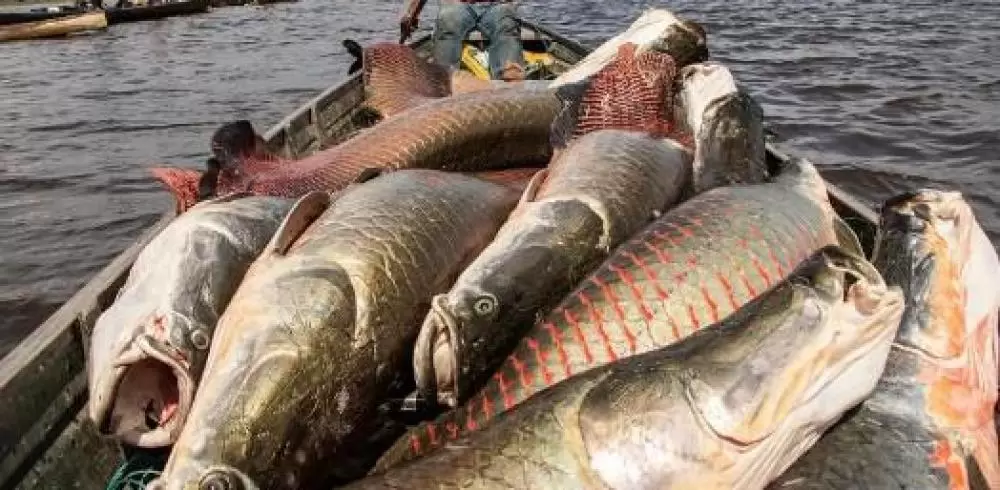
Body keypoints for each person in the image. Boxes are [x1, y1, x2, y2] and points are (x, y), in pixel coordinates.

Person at [399, 0, 525, 81]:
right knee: (448, 18)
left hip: (497, 5)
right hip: (458, 4)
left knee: (506, 24)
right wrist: (411, 14)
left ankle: (509, 84)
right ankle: (443, 81)